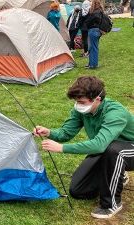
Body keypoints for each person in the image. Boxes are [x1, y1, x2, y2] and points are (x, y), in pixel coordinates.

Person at [33, 76, 134, 219]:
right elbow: (66, 133)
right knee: (78, 190)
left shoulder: (115, 113)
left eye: (81, 102)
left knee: (113, 151)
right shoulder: (82, 110)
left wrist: (62, 148)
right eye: (76, 101)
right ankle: (118, 174)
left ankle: (111, 204)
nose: (78, 105)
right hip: (108, 147)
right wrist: (49, 132)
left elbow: (99, 145)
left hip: (127, 149)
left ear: (97, 99)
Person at [84, 0, 103, 69]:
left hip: (93, 30)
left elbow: (88, 21)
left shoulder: (94, 12)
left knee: (93, 48)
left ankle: (93, 65)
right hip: (98, 31)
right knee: (93, 48)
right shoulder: (100, 11)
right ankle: (91, 63)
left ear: (94, 4)